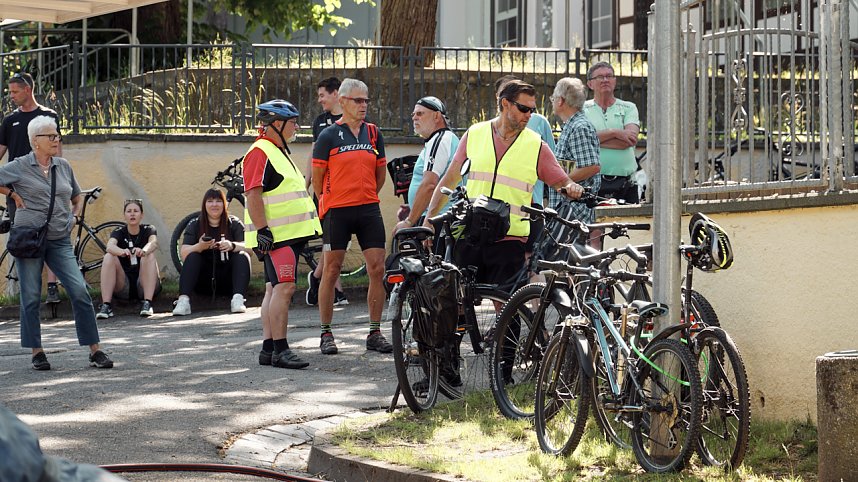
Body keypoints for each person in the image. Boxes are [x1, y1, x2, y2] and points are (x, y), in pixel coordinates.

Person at [424, 80, 585, 292]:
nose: (529, 115)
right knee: (458, 301)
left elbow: (562, 182)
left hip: (510, 237)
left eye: (532, 110)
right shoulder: (475, 134)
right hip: (471, 231)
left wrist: (572, 188)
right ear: (505, 104)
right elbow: (449, 180)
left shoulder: (536, 145)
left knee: (506, 309)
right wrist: (428, 219)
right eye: (523, 109)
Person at [0, 116, 113, 370]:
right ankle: (36, 352)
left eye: (57, 135)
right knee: (30, 297)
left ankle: (95, 349)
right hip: (29, 239)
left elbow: (76, 196)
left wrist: (73, 217)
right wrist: (11, 193)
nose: (56, 139)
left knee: (80, 291)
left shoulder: (63, 166)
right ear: (35, 141)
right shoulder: (19, 166)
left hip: (59, 239)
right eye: (50, 136)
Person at [312, 78, 392, 355]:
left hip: (368, 208)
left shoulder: (373, 134)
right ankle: (325, 333)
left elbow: (380, 174)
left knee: (377, 269)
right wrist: (335, 198)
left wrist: (365, 192)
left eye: (366, 100)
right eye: (358, 100)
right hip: (337, 211)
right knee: (331, 271)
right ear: (343, 101)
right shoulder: (328, 136)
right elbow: (319, 178)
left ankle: (374, 331)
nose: (364, 105)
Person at [244, 99, 319, 369]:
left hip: (285, 235)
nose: (297, 126)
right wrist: (263, 230)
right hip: (277, 237)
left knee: (272, 289)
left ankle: (268, 349)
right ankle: (281, 350)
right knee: (284, 289)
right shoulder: (260, 152)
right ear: (277, 124)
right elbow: (252, 193)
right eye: (293, 121)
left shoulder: (277, 150)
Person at [0, 72, 62, 303]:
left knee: (52, 234)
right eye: (10, 91)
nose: (11, 95)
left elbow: (58, 151)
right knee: (25, 237)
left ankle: (52, 286)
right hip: (18, 193)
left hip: (46, 187)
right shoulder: (9, 120)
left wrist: (59, 181)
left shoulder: (49, 115)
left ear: (28, 89)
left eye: (15, 91)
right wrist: (11, 193)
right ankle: (27, 291)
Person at [304, 77, 348, 307]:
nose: (320, 100)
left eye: (322, 95)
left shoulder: (352, 118)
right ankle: (336, 290)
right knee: (330, 241)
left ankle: (319, 277)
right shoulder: (319, 122)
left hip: (347, 190)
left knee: (336, 241)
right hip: (325, 190)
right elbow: (313, 155)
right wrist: (307, 184)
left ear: (335, 94)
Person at [172, 188, 251, 316]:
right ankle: (183, 301)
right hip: (203, 280)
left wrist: (232, 245)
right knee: (193, 256)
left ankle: (238, 299)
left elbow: (250, 249)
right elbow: (184, 253)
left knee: (242, 255)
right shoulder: (195, 224)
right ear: (204, 204)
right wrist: (200, 246)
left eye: (218, 201)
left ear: (224, 204)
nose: (214, 204)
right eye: (210, 201)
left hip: (229, 279)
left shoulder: (234, 223)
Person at [393, 95, 459, 233]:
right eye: (413, 114)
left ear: (436, 116)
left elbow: (429, 185)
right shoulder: (440, 139)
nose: (414, 117)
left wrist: (409, 221)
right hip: (438, 218)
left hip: (438, 221)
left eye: (420, 113)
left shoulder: (440, 140)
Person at [583, 61, 641, 205]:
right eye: (600, 77)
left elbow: (630, 140)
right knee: (594, 226)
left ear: (615, 81)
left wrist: (595, 140)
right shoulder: (582, 109)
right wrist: (615, 132)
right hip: (592, 181)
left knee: (628, 225)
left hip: (626, 183)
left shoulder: (629, 107)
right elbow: (582, 140)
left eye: (609, 76)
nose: (605, 80)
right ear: (590, 84)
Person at [547, 77, 602, 224]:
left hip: (574, 212)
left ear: (560, 101)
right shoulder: (573, 125)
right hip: (568, 209)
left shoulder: (579, 127)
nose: (552, 101)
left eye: (554, 98)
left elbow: (592, 166)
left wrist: (561, 182)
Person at [96, 199, 162, 318]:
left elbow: (153, 243)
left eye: (136, 211)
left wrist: (143, 251)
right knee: (109, 256)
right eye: (129, 211)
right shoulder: (119, 232)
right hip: (123, 285)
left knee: (149, 255)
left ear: (141, 215)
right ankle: (106, 305)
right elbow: (109, 246)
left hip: (143, 284)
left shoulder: (148, 229)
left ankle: (148, 303)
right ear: (124, 215)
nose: (132, 214)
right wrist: (121, 252)